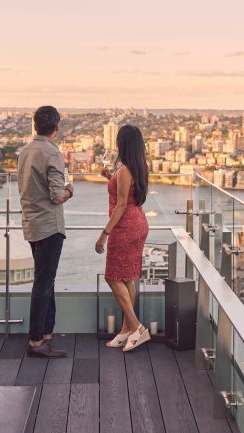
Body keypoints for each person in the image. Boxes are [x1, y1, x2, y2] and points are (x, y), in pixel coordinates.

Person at [18, 106, 74, 358]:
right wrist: (70, 191)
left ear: (35, 125)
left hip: (31, 223)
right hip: (50, 227)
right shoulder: (52, 152)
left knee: (46, 280)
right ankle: (36, 341)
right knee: (42, 283)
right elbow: (56, 196)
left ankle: (47, 333)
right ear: (56, 127)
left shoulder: (25, 151)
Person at [95, 125, 150, 352]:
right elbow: (129, 194)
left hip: (125, 226)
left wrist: (104, 234)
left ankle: (137, 328)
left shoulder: (126, 170)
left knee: (112, 277)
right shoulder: (138, 167)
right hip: (138, 223)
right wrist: (110, 177)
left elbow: (120, 204)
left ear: (123, 144)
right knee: (127, 277)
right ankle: (126, 330)